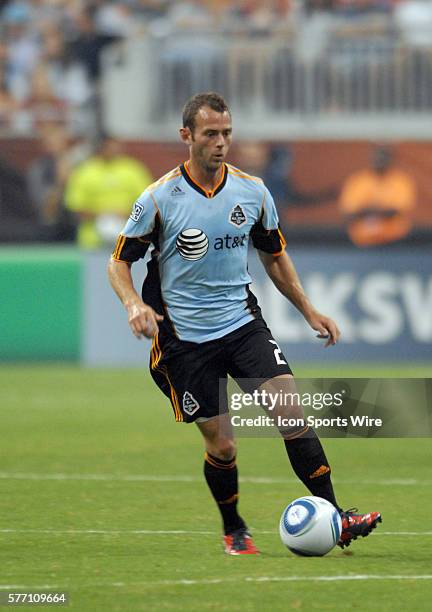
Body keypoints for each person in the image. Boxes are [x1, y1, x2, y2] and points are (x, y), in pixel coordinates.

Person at [108, 92, 381, 555]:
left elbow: (274, 256)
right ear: (186, 136)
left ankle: (336, 517)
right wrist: (134, 303)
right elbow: (119, 262)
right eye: (211, 134)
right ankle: (234, 528)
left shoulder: (252, 191)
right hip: (184, 341)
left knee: (291, 414)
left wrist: (308, 310)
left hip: (241, 325)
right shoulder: (158, 198)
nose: (221, 143)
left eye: (227, 133)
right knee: (225, 447)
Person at [64, 133, 152, 249]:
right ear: (100, 147)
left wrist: (127, 215)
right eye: (109, 147)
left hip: (131, 240)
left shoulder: (133, 170)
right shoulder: (84, 172)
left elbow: (150, 202)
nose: (113, 150)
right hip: (93, 242)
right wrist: (103, 216)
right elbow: (75, 206)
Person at [339, 145, 417, 247]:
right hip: (361, 241)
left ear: (391, 160)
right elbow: (350, 212)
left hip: (395, 241)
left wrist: (368, 211)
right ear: (371, 158)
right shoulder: (357, 180)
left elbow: (398, 211)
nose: (380, 161)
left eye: (384, 158)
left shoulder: (401, 181)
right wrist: (377, 211)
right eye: (377, 157)